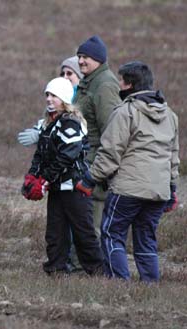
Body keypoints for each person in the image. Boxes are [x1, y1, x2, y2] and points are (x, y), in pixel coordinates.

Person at [76, 61, 179, 282]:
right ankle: (149, 285)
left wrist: (90, 178)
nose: (118, 85)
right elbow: (173, 156)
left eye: (121, 81)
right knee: (146, 239)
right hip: (158, 192)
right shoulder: (170, 115)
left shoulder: (125, 112)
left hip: (128, 189)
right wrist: (171, 188)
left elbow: (110, 152)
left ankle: (119, 284)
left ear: (130, 85)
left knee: (112, 234)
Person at [22, 77, 103, 276]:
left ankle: (98, 271)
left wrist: (45, 179)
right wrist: (32, 176)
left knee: (83, 232)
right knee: (55, 232)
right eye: (47, 95)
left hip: (75, 187)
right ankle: (56, 270)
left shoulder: (70, 123)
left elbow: (68, 155)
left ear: (64, 99)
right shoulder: (49, 124)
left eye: (54, 96)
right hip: (58, 188)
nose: (49, 99)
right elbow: (41, 154)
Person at [73, 35, 121, 236]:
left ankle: (94, 267)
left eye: (86, 57)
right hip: (83, 159)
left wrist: (97, 169)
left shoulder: (104, 85)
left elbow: (111, 132)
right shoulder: (90, 81)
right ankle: (79, 265)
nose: (81, 61)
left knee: (93, 225)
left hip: (94, 163)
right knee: (82, 221)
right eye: (80, 56)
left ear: (99, 59)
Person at [17, 56, 83, 147]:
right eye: (62, 74)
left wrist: (41, 135)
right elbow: (51, 120)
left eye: (69, 73)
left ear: (80, 76)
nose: (65, 77)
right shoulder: (58, 97)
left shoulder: (84, 99)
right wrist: (40, 129)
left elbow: (74, 132)